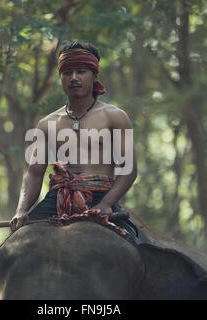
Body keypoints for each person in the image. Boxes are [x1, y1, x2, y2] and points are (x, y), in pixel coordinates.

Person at [9, 40, 139, 245]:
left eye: (81, 71)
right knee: (13, 247)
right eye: (67, 73)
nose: (74, 78)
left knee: (133, 249)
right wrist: (21, 210)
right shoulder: (47, 123)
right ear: (60, 77)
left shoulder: (114, 116)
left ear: (94, 76)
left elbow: (129, 170)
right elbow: (34, 173)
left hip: (100, 196)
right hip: (57, 200)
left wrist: (107, 203)